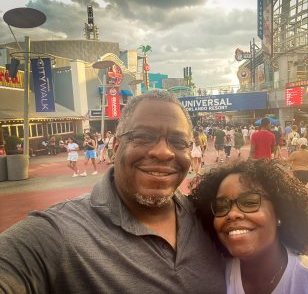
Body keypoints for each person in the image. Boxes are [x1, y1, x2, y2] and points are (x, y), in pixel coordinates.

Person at [0, 90, 226, 293]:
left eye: (178, 141)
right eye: (143, 137)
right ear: (116, 147)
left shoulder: (209, 218)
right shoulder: (56, 234)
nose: (163, 152)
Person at [190, 159, 308, 294]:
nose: (232, 214)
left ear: (280, 212)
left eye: (250, 202)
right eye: (221, 206)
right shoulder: (211, 277)